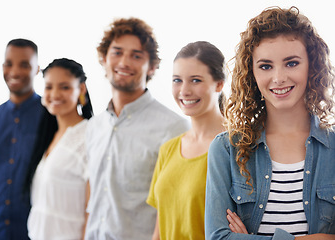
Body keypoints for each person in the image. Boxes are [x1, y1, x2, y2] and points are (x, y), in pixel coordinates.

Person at [205, 6, 335, 240]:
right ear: (252, 73)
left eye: (292, 63)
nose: (279, 78)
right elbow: (218, 237)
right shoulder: (226, 150)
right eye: (266, 66)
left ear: (312, 66)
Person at [84, 17, 190, 240]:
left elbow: (176, 206)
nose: (124, 62)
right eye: (117, 52)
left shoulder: (173, 128)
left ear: (151, 66)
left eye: (136, 55)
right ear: (104, 59)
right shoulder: (94, 126)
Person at [147, 41, 226, 240]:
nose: (184, 90)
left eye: (196, 80)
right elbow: (160, 228)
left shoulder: (237, 146)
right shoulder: (168, 149)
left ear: (219, 84)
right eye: (177, 80)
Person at [0, 39, 44, 240]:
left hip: (33, 233)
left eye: (24, 65)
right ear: (2, 67)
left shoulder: (50, 118)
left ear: (36, 70)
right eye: (9, 64)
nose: (15, 71)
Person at [25, 58, 93, 240]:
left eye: (64, 87)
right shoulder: (49, 136)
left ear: (81, 89)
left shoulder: (90, 136)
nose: (54, 94)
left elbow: (92, 211)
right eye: (48, 87)